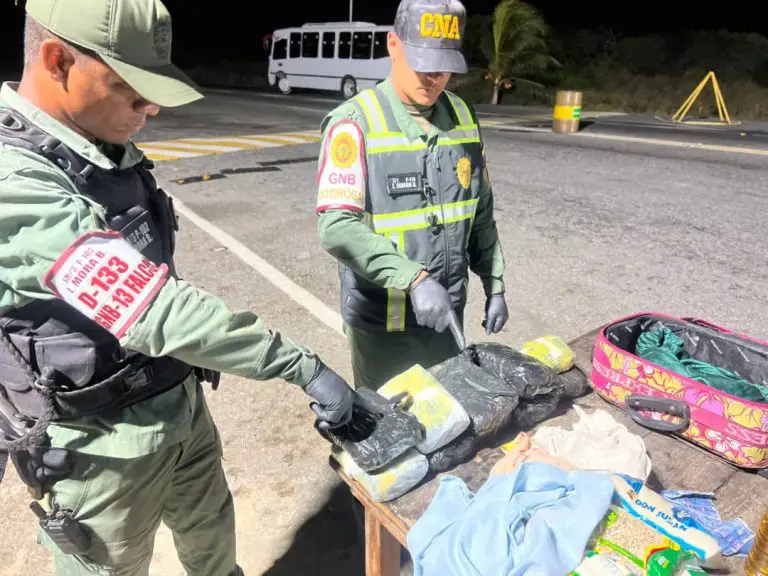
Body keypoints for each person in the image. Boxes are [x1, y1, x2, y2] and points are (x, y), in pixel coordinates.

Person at [0, 0, 355, 574]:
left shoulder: (98, 151)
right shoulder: (15, 182)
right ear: (57, 60)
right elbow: (152, 308)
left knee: (214, 545)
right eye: (130, 91)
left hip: (178, 404)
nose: (152, 108)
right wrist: (302, 366)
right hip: (101, 452)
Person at [316, 0, 508, 391]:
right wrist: (414, 279)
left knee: (451, 420)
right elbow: (336, 227)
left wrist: (495, 282)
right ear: (393, 45)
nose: (434, 76)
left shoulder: (464, 117)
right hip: (382, 327)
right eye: (422, 62)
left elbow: (480, 211)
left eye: (445, 66)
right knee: (392, 430)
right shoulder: (355, 123)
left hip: (446, 316)